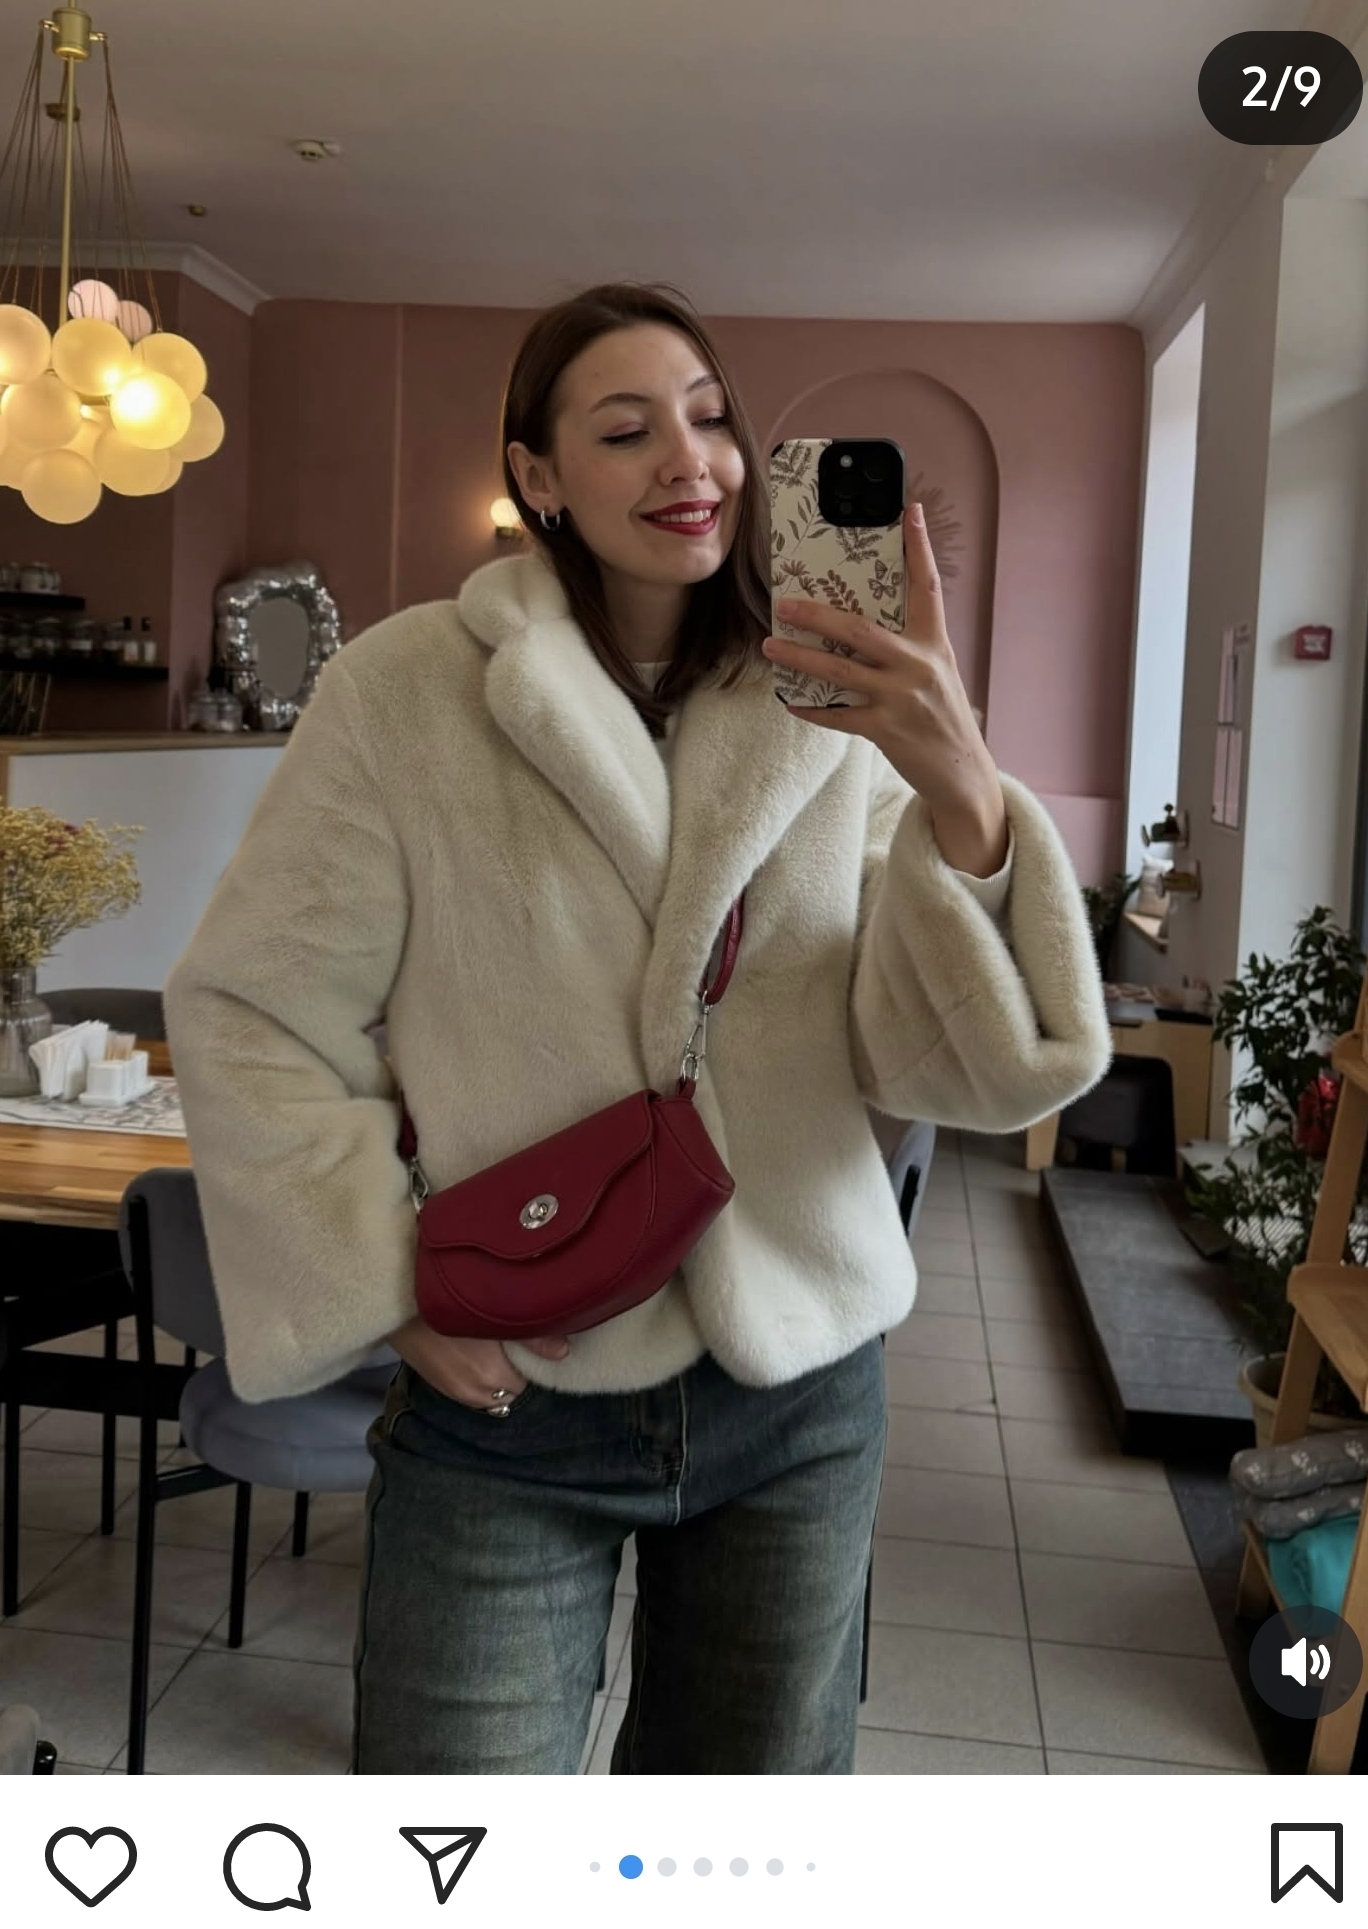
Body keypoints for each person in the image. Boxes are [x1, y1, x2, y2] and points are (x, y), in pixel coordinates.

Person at [163, 280, 1111, 1775]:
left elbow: (966, 1070)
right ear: (535, 475)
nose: (690, 460)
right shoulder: (407, 693)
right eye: (624, 430)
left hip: (795, 1383)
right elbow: (255, 1004)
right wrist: (384, 1282)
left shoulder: (833, 705)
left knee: (732, 1849)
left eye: (712, 417)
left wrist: (963, 793)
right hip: (515, 1382)